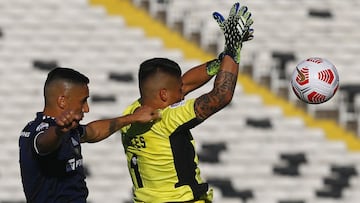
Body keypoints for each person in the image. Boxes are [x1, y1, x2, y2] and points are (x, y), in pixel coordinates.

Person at [120, 2, 254, 203]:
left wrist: (222, 59)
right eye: (179, 91)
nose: (183, 93)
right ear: (164, 94)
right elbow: (221, 95)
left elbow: (186, 83)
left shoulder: (132, 111)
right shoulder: (166, 120)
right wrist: (234, 50)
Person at [19, 67, 160, 203]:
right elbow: (43, 144)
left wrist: (132, 118)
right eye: (83, 101)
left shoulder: (70, 129)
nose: (86, 109)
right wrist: (59, 131)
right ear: (62, 101)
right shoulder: (39, 131)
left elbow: (93, 131)